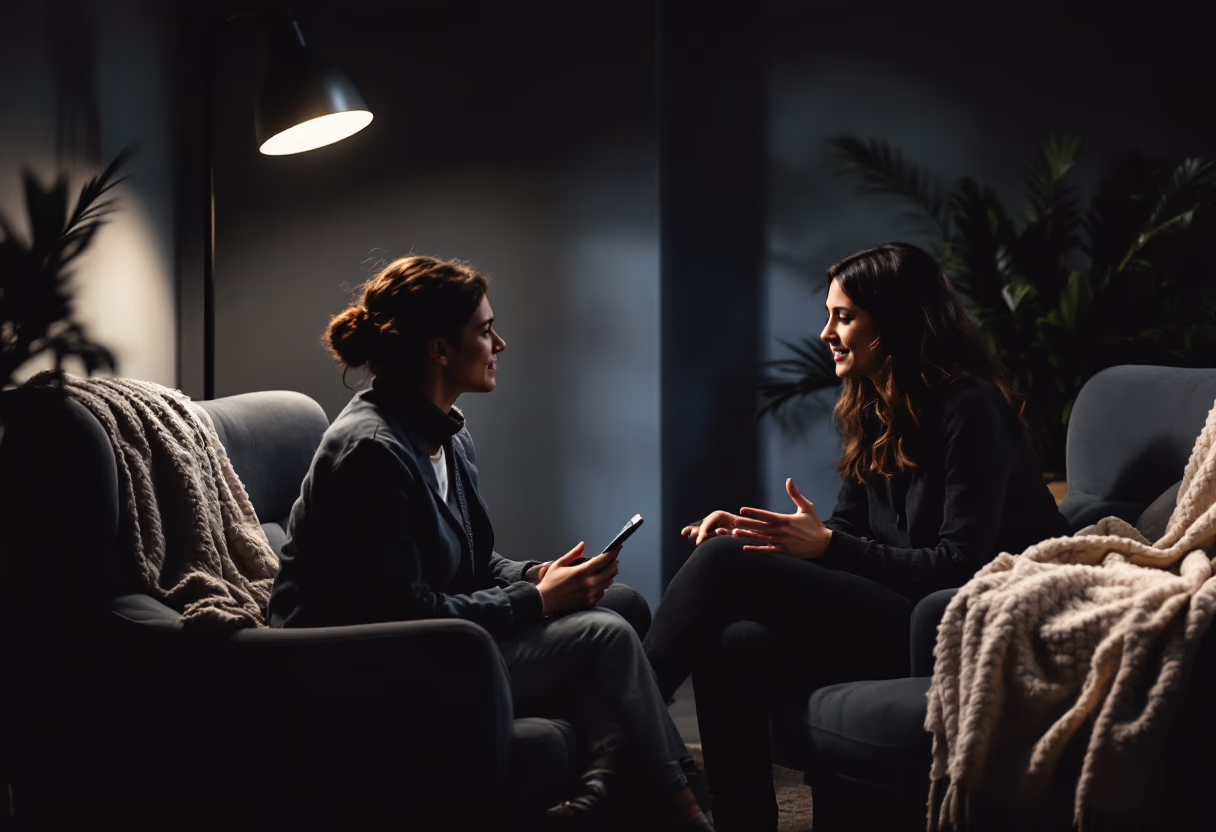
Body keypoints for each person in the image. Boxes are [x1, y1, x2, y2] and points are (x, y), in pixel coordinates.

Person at [267, 255, 712, 831]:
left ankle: (605, 784)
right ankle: (679, 801)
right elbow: (402, 612)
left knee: (621, 603)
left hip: (434, 636)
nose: (499, 344)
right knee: (602, 635)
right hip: (362, 662)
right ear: (439, 349)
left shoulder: (447, 432)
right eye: (484, 330)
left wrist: (532, 576)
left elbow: (468, 558)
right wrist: (540, 601)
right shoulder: (371, 453)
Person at [643, 242, 1071, 832]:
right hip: (897, 606)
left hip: (948, 620)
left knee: (722, 558)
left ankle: (630, 728)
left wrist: (822, 547)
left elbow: (960, 563)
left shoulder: (970, 407)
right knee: (735, 640)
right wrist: (773, 536)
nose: (826, 333)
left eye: (842, 317)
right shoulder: (873, 406)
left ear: (891, 323)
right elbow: (846, 531)